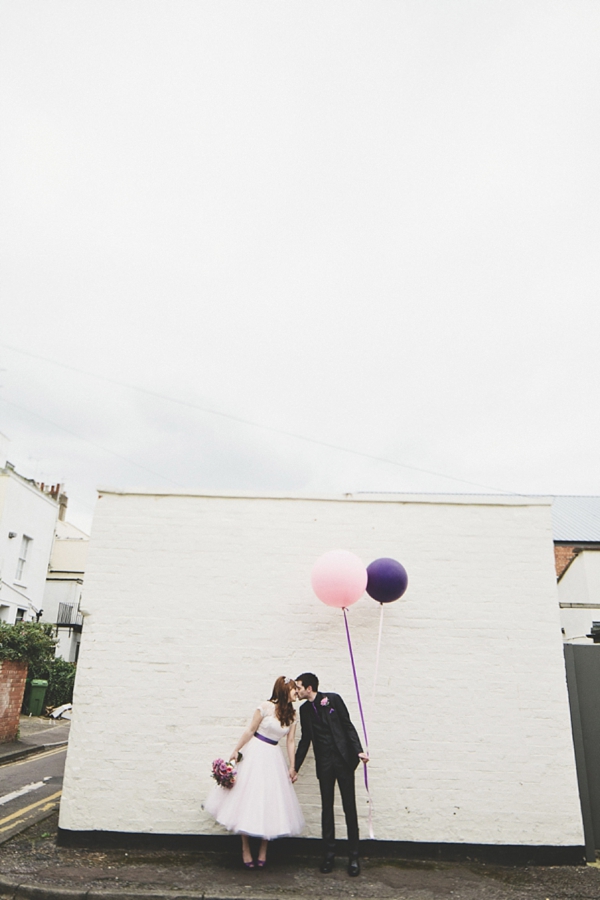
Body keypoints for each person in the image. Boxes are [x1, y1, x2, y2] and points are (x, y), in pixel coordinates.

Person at [204, 676, 304, 868]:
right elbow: (250, 730)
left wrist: (292, 766)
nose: (296, 693)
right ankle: (245, 848)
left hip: (273, 757)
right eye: (293, 689)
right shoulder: (265, 708)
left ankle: (264, 849)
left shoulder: (292, 715)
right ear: (284, 691)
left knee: (270, 801)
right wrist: (236, 749)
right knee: (246, 799)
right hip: (256, 753)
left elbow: (290, 742)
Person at [290, 673, 368, 877]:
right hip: (324, 764)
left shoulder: (333, 699)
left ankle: (353, 856)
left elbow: (347, 725)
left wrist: (358, 750)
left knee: (349, 807)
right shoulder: (305, 710)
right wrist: (294, 766)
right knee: (327, 809)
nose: (296, 691)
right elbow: (305, 740)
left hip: (343, 761)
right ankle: (329, 855)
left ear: (309, 688)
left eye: (298, 687)